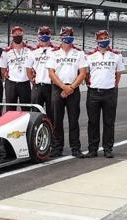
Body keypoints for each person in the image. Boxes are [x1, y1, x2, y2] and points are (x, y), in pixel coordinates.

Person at [46, 26, 87, 158]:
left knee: (73, 120)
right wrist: (63, 87)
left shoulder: (79, 53)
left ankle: (76, 148)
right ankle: (57, 148)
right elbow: (51, 73)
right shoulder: (53, 52)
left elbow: (83, 73)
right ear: (61, 36)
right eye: (65, 34)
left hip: (73, 89)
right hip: (58, 88)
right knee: (57, 120)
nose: (67, 36)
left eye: (70, 34)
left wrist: (71, 87)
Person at [84, 30, 124, 158]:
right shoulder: (90, 55)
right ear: (97, 40)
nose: (103, 39)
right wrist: (90, 84)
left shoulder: (116, 55)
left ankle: (108, 148)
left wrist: (113, 85)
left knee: (109, 122)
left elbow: (118, 74)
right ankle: (93, 149)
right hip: (94, 92)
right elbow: (86, 73)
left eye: (106, 37)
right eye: (101, 38)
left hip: (110, 92)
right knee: (93, 122)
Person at [0, 26, 32, 111]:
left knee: (26, 109)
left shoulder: (29, 50)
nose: (17, 35)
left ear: (22, 34)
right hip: (11, 83)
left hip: (25, 82)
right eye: (15, 33)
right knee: (10, 109)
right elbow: (3, 68)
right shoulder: (6, 51)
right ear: (12, 35)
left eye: (19, 33)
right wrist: (6, 74)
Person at [26, 26, 55, 121]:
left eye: (46, 33)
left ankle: (52, 134)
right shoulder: (33, 51)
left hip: (52, 86)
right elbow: (28, 68)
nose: (44, 35)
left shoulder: (56, 51)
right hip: (38, 86)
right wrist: (32, 80)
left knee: (52, 113)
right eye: (42, 34)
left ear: (50, 35)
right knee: (35, 113)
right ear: (39, 35)